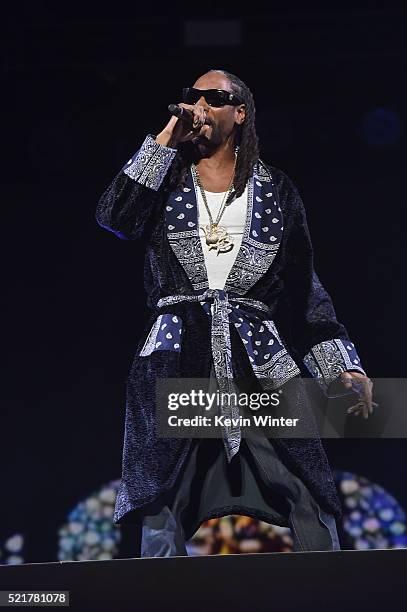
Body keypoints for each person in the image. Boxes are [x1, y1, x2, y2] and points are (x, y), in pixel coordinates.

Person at [95, 68, 376, 555]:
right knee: (163, 502)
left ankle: (332, 593)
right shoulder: (165, 179)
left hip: (260, 357)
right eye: (193, 96)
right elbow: (115, 216)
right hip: (178, 355)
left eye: (214, 97)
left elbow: (303, 288)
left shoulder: (277, 191)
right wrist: (164, 139)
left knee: (309, 492)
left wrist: (343, 364)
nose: (199, 105)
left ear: (240, 113)